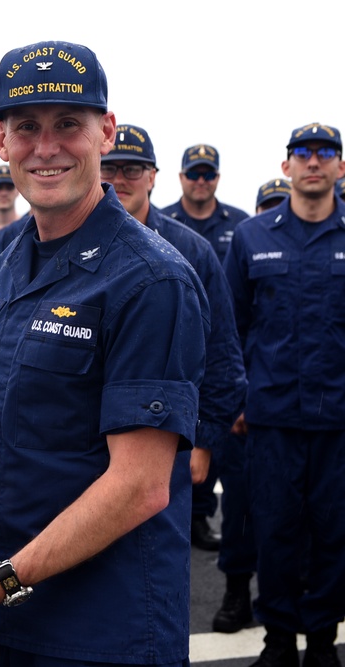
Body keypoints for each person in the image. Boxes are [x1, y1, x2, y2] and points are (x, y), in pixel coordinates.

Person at [0, 41, 210, 667]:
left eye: (68, 124)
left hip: (100, 630)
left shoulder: (149, 280)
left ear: (105, 132)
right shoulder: (12, 260)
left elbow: (140, 485)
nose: (46, 146)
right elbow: (39, 420)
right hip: (4, 620)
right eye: (26, 126)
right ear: (1, 141)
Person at [101, 124, 253, 629]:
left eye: (132, 168)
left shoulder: (192, 251)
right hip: (82, 447)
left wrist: (204, 444)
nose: (120, 178)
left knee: (153, 590)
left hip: (167, 450)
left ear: (153, 177)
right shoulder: (54, 240)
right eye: (111, 167)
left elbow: (224, 360)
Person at [224, 122, 345, 667]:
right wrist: (238, 398)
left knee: (333, 535)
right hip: (270, 418)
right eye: (303, 152)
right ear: (286, 166)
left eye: (326, 153)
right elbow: (230, 328)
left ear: (341, 167)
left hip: (339, 420)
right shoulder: (253, 237)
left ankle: (321, 641)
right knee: (274, 530)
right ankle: (278, 640)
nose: (313, 161)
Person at [160, 142, 250, 550]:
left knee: (210, 447)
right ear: (179, 178)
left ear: (216, 178)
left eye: (207, 174)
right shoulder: (163, 224)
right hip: (173, 350)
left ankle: (199, 519)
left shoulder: (240, 224)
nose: (200, 181)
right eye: (193, 174)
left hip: (216, 340)